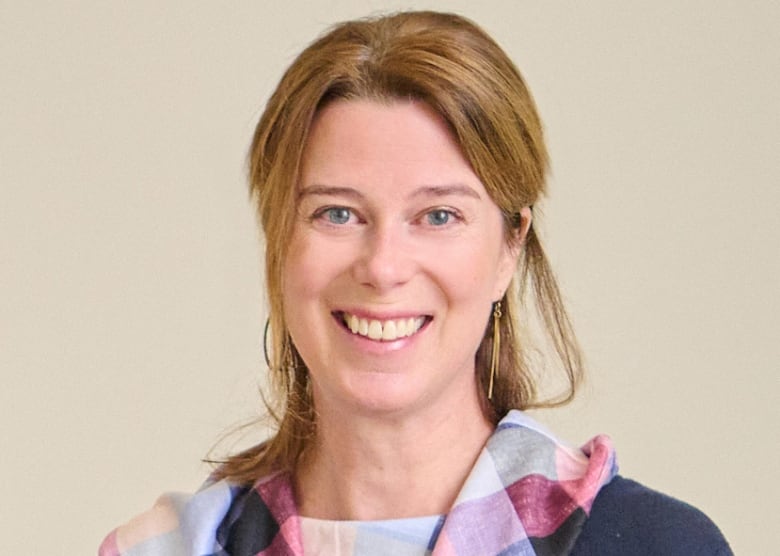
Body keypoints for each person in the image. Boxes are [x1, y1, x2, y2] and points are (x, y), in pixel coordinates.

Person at [100, 10, 731, 556]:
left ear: (510, 246)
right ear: (277, 239)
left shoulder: (658, 545)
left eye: (438, 216)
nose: (383, 267)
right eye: (336, 213)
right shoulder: (165, 549)